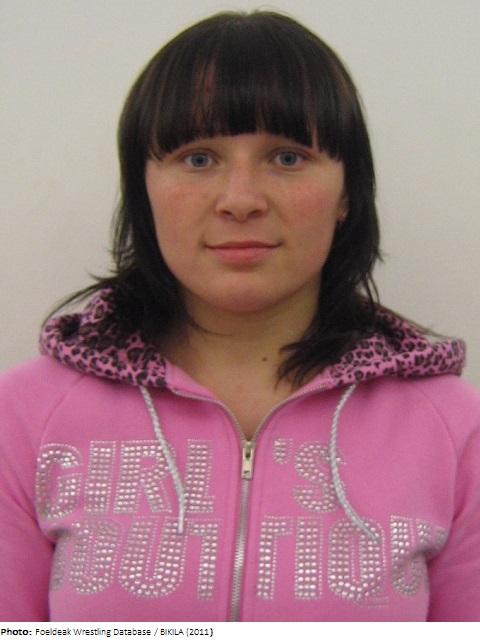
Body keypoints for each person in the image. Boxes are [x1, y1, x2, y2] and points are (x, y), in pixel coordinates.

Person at [0, 10, 479, 623]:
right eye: (199, 159)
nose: (241, 200)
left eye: (288, 158)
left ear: (347, 194)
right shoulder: (24, 419)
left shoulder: (457, 432)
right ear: (144, 191)